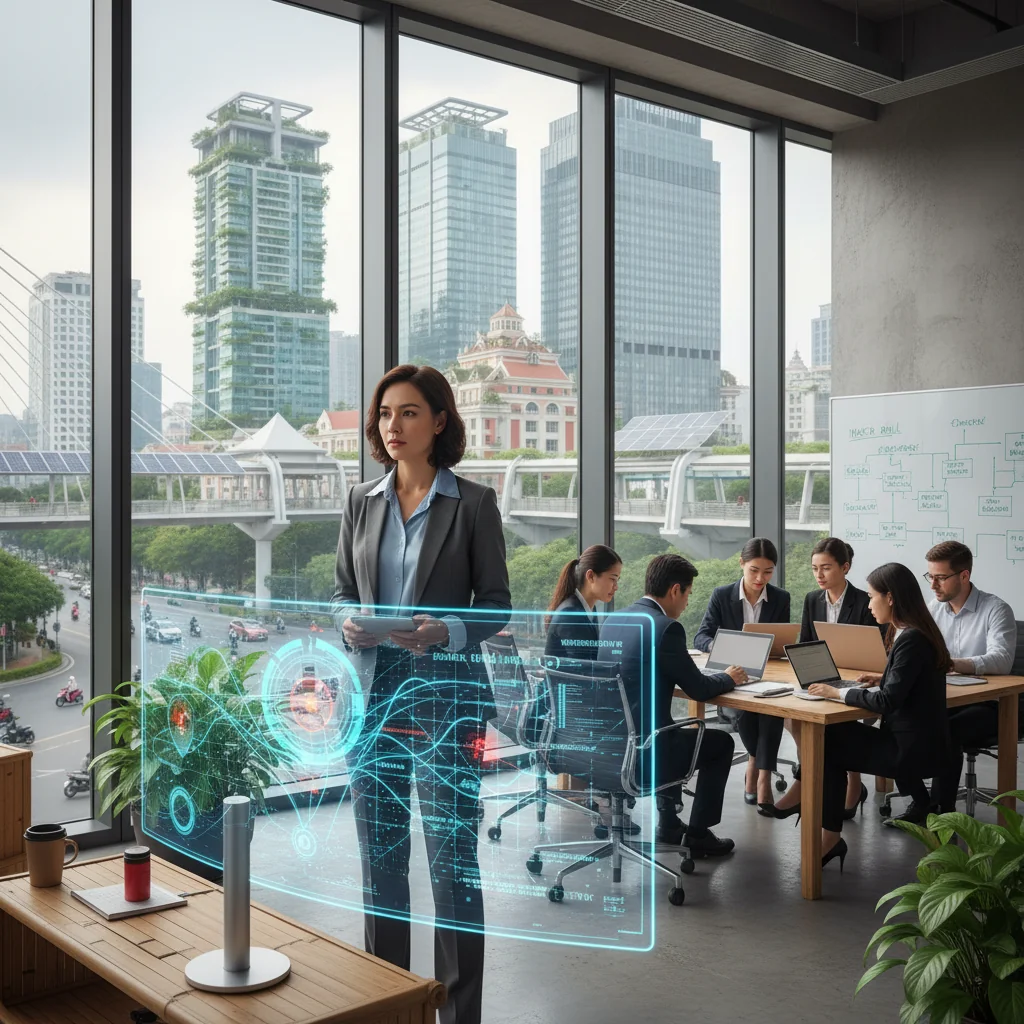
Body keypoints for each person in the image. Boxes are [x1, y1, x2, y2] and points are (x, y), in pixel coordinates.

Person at [331, 364, 511, 1024]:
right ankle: (392, 1008)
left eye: (408, 412)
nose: (392, 425)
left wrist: (447, 629)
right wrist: (347, 621)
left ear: (439, 420)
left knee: (451, 868)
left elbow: (497, 607)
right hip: (375, 699)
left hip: (447, 702)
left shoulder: (473, 504)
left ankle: (461, 1016)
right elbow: (341, 591)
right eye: (384, 414)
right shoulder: (360, 501)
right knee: (381, 866)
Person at [599, 554, 746, 854]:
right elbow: (700, 689)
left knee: (669, 727)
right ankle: (698, 834)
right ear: (675, 590)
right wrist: (729, 676)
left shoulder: (615, 619)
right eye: (688, 595)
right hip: (645, 755)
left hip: (607, 749)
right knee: (720, 744)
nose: (687, 604)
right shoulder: (666, 629)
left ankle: (668, 823)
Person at [808, 562, 952, 869]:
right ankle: (828, 832)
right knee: (829, 737)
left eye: (872, 596)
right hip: (920, 743)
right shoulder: (916, 632)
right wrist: (881, 677)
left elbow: (887, 701)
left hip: (908, 752)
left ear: (890, 598)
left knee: (826, 744)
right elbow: (906, 684)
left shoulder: (911, 638)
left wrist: (837, 693)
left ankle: (829, 836)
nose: (868, 603)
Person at [774, 537, 881, 819]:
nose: (819, 575)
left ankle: (852, 783)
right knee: (791, 717)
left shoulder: (864, 601)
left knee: (840, 727)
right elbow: (807, 643)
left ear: (845, 567)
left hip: (858, 678)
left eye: (826, 568)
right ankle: (809, 772)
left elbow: (875, 650)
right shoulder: (812, 599)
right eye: (814, 569)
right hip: (821, 676)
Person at [693, 537, 791, 813]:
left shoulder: (781, 598)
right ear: (741, 564)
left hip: (767, 673)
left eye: (768, 571)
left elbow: (783, 639)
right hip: (733, 675)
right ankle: (759, 768)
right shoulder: (722, 595)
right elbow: (701, 636)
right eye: (754, 570)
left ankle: (761, 776)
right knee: (752, 711)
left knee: (772, 707)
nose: (761, 578)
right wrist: (722, 647)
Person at [922, 541, 1018, 812]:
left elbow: (1002, 660)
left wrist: (952, 663)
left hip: (990, 705)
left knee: (946, 730)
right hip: (947, 697)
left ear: (964, 575)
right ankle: (920, 800)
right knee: (902, 717)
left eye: (940, 578)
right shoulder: (934, 608)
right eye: (931, 576)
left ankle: (942, 813)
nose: (933, 585)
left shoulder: (996, 609)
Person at [544, 544, 621, 662]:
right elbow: (584, 668)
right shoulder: (570, 613)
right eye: (612, 579)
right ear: (590, 576)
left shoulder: (587, 610)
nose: (616, 587)